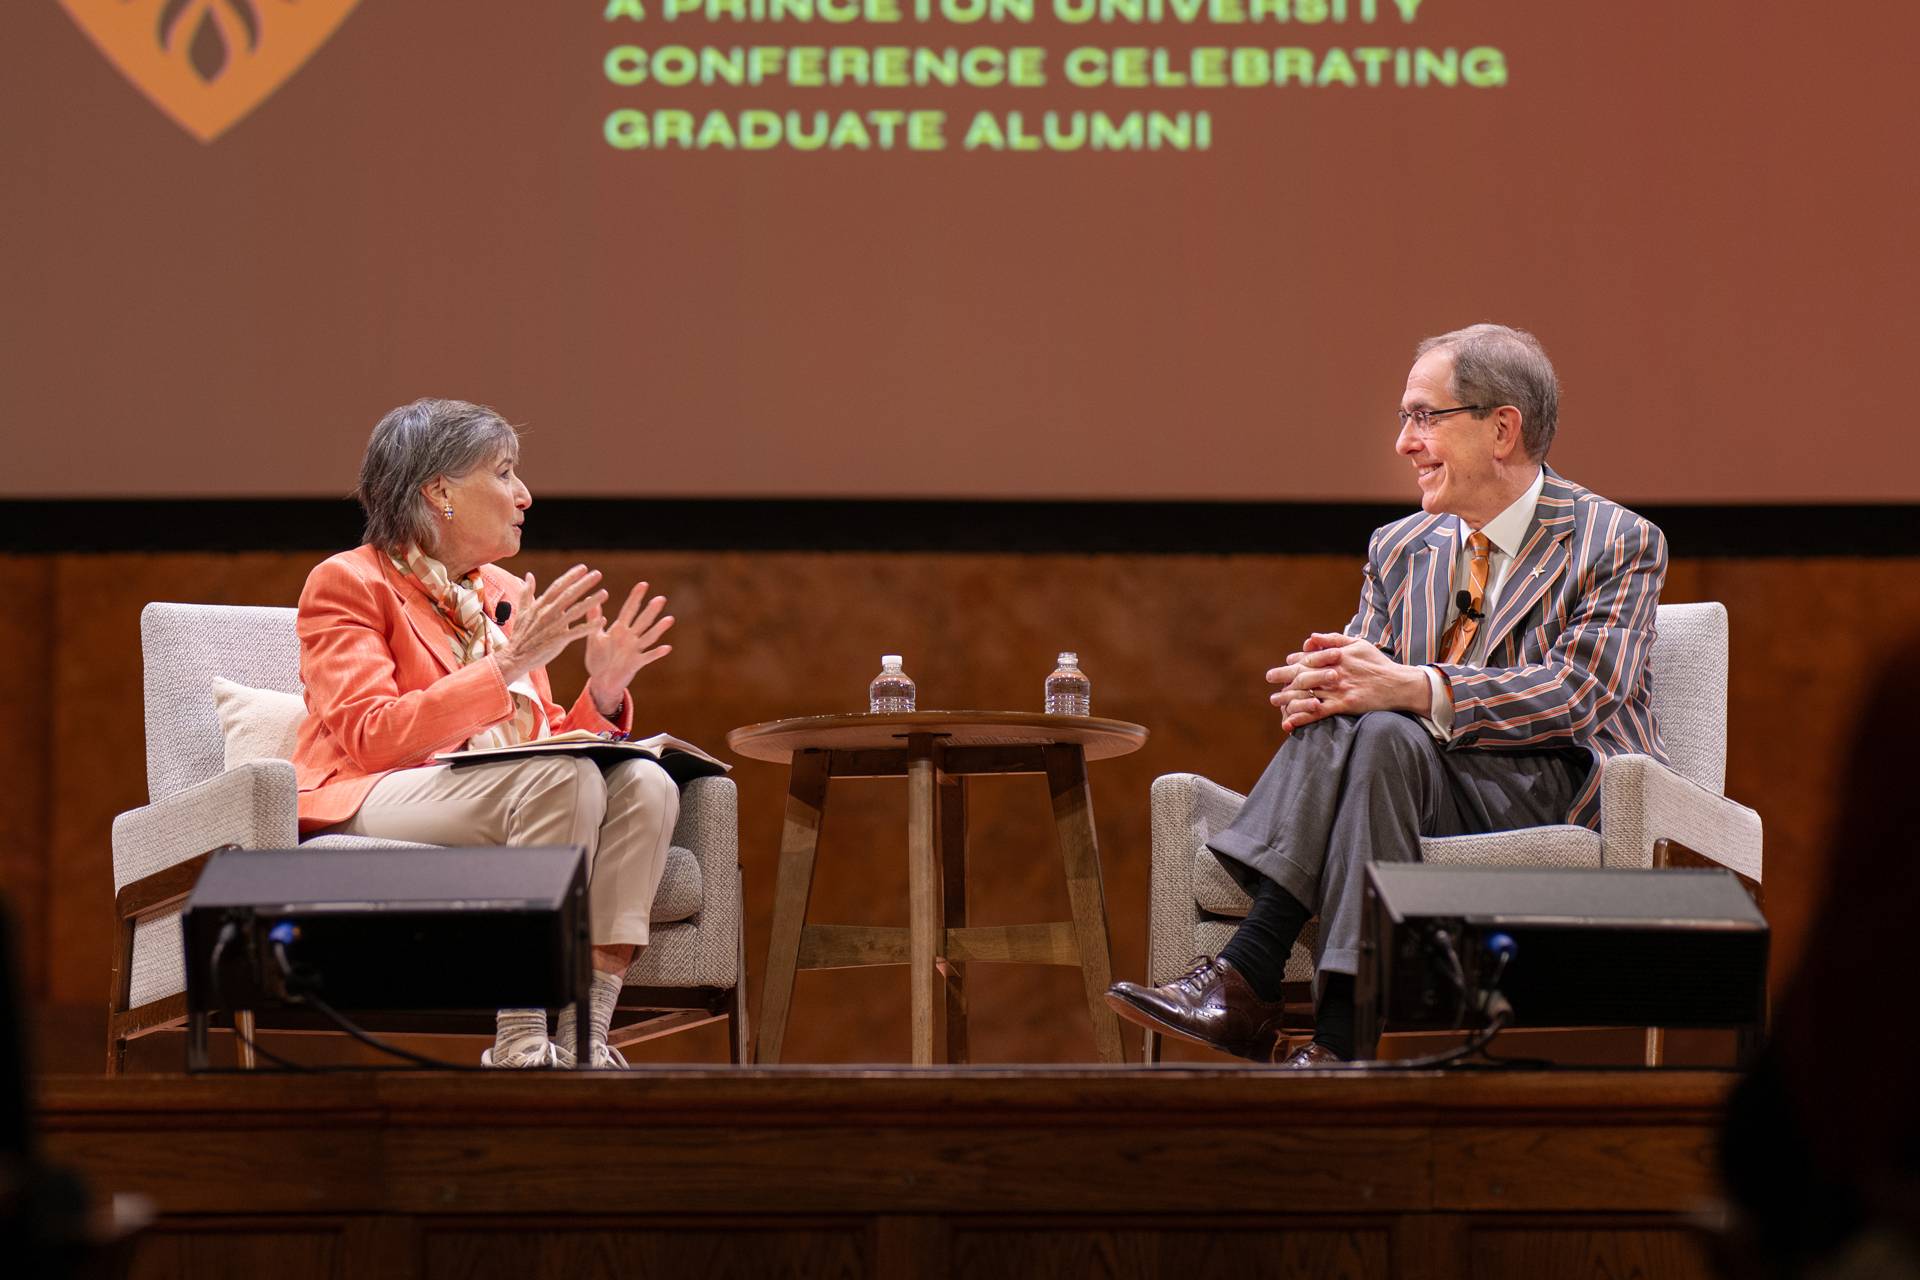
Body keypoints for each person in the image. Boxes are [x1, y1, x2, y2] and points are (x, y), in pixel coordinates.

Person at [1107, 324, 1669, 1066]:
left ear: (1502, 428)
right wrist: (1321, 688)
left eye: (1424, 417)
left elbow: (1581, 692)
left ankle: (1252, 972)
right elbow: (1362, 678)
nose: (1405, 443)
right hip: (1404, 777)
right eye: (1405, 419)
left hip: (1545, 783)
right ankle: (1339, 1039)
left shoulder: (1615, 540)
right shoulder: (1400, 547)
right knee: (1366, 726)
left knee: (1378, 725)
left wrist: (1413, 685)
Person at [293, 398, 679, 1069]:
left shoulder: (499, 591)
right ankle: (521, 1035)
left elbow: (545, 740)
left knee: (647, 783)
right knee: (561, 779)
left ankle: (587, 1034)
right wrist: (506, 664)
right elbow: (370, 735)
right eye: (503, 474)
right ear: (439, 491)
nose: (524, 495)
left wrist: (607, 692)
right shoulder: (349, 582)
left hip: (491, 788)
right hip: (376, 789)